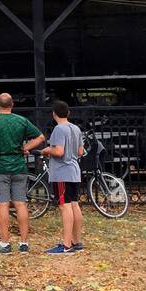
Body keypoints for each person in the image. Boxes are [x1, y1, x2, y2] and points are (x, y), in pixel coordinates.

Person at [0, 92, 44, 254]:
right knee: (21, 204)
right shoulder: (21, 120)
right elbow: (40, 137)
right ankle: (24, 243)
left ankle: (5, 244)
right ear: (12, 105)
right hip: (19, 166)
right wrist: (26, 147)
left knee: (2, 204)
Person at [42, 100, 86, 254]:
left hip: (61, 172)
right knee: (74, 204)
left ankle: (66, 245)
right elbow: (81, 151)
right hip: (74, 171)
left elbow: (59, 151)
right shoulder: (75, 128)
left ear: (54, 114)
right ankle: (76, 241)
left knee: (64, 205)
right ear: (68, 113)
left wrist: (47, 150)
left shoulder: (59, 129)